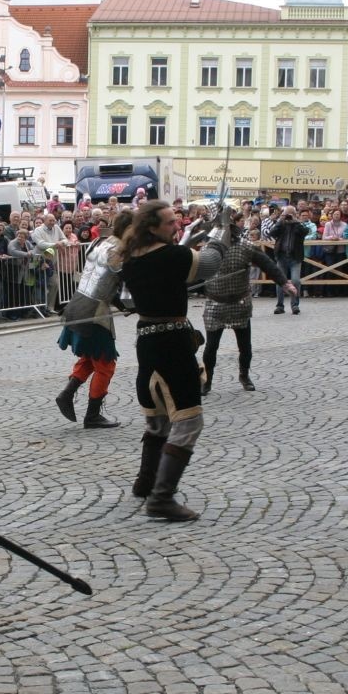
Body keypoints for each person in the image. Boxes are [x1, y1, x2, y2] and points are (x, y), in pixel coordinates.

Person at [118, 200, 230, 521]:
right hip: (172, 345)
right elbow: (211, 263)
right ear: (152, 227)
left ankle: (146, 482)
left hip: (147, 341)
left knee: (158, 419)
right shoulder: (172, 255)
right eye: (169, 222)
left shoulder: (131, 257)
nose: (176, 225)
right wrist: (221, 230)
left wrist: (198, 234)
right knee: (189, 421)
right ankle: (162, 497)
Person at [202, 218, 297, 393]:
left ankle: (244, 375)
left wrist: (284, 283)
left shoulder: (245, 247)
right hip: (215, 303)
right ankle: (207, 380)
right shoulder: (207, 250)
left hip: (240, 302)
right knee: (211, 346)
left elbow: (267, 264)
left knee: (245, 346)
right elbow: (195, 272)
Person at [55, 211, 129, 428]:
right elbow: (128, 284)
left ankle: (66, 394)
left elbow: (103, 280)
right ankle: (93, 415)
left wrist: (122, 306)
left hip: (79, 302)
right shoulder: (119, 250)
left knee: (90, 356)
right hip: (94, 311)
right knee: (106, 363)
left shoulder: (100, 242)